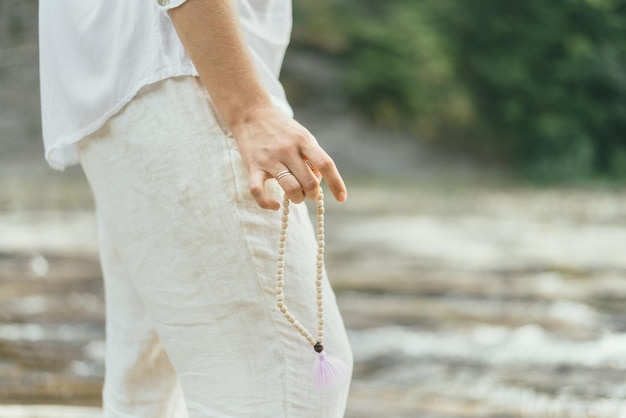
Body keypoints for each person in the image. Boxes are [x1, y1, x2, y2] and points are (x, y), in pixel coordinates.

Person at [38, 1, 353, 417]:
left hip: (131, 81)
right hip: (182, 70)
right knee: (287, 377)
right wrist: (246, 107)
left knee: (149, 391)